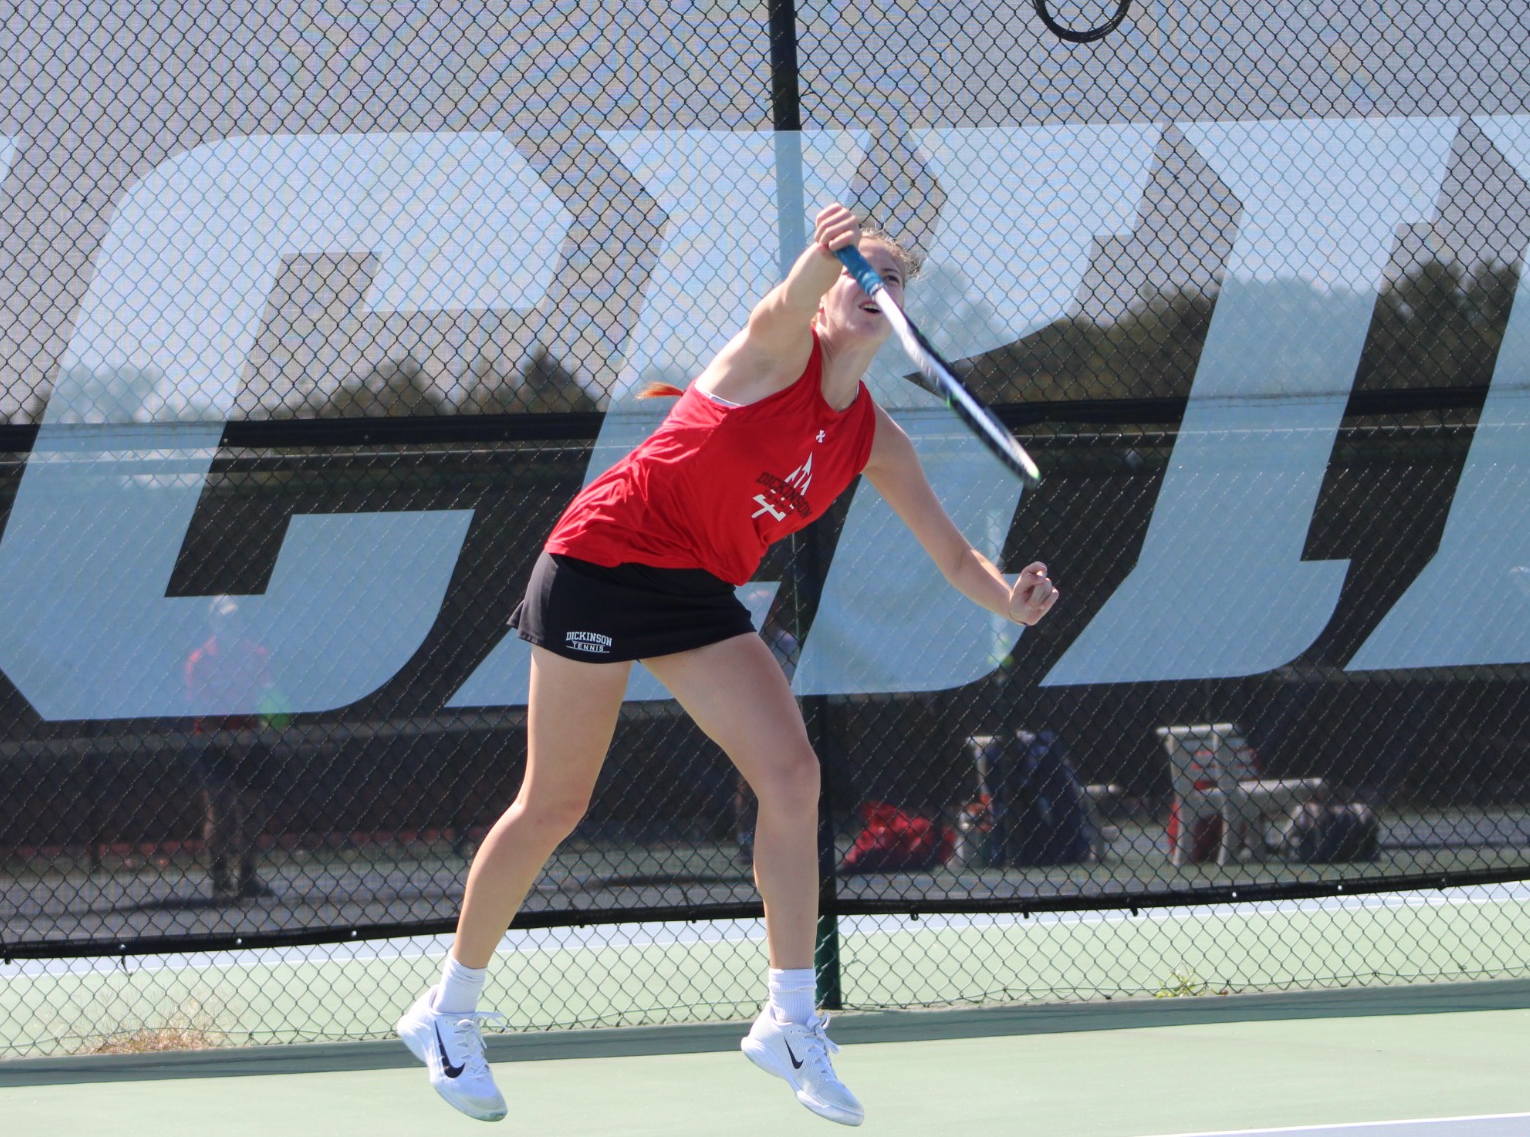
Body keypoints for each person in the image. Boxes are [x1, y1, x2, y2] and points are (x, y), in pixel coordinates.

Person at [394, 205, 1060, 1124]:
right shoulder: (770, 355)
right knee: (556, 802)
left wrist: (1009, 600)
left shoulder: (875, 438)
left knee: (794, 775)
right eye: (857, 276)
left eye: (893, 279)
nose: (876, 288)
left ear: (906, 313)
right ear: (827, 301)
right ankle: (446, 1011)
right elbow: (787, 299)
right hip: (600, 564)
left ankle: (789, 1022)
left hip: (697, 592)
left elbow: (954, 559)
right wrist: (822, 258)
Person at [187, 595, 279, 903]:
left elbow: (268, 698)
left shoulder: (257, 654)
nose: (231, 623)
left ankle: (247, 876)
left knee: (252, 809)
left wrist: (258, 734)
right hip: (213, 741)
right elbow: (199, 709)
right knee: (221, 810)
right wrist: (227, 742)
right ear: (212, 621)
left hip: (250, 739)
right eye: (224, 618)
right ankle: (218, 875)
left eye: (235, 617)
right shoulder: (200, 659)